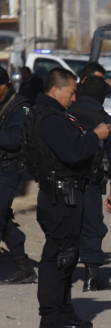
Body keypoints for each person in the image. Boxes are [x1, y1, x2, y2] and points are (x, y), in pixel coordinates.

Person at [23, 67, 111, 328]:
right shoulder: (50, 119)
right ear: (55, 90)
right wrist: (95, 136)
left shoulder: (51, 115)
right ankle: (52, 316)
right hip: (60, 196)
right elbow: (73, 152)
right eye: (71, 93)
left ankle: (63, 309)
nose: (74, 99)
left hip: (62, 194)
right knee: (59, 255)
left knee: (66, 254)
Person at [67, 75, 111, 291]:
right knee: (92, 226)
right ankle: (91, 276)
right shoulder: (105, 120)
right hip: (90, 181)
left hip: (62, 179)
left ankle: (64, 271)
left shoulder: (64, 114)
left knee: (65, 224)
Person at [0, 66, 37, 285]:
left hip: (8, 170)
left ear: (6, 85)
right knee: (3, 218)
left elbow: (14, 140)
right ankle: (23, 265)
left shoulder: (20, 107)